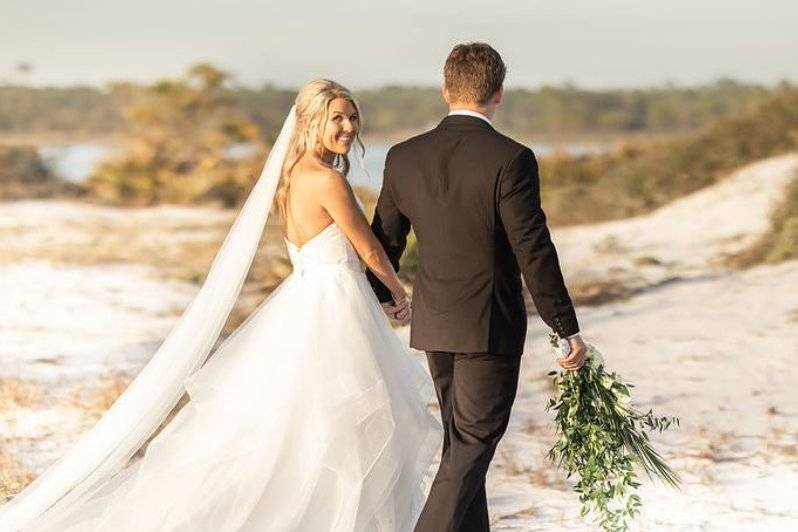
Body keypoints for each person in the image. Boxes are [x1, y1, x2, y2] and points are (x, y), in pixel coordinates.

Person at [0, 79, 441, 532]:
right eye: (337, 118)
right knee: (342, 417)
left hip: (308, 300)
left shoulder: (292, 178)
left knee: (307, 419)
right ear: (311, 123)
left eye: (352, 117)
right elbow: (368, 249)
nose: (348, 127)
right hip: (334, 306)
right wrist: (397, 291)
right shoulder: (328, 180)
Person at [366, 42, 587, 532]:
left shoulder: (404, 156)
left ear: (445, 89)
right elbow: (533, 248)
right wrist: (564, 326)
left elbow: (385, 239)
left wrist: (383, 297)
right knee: (471, 444)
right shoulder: (512, 159)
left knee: (460, 448)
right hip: (489, 326)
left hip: (434, 323)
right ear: (499, 93)